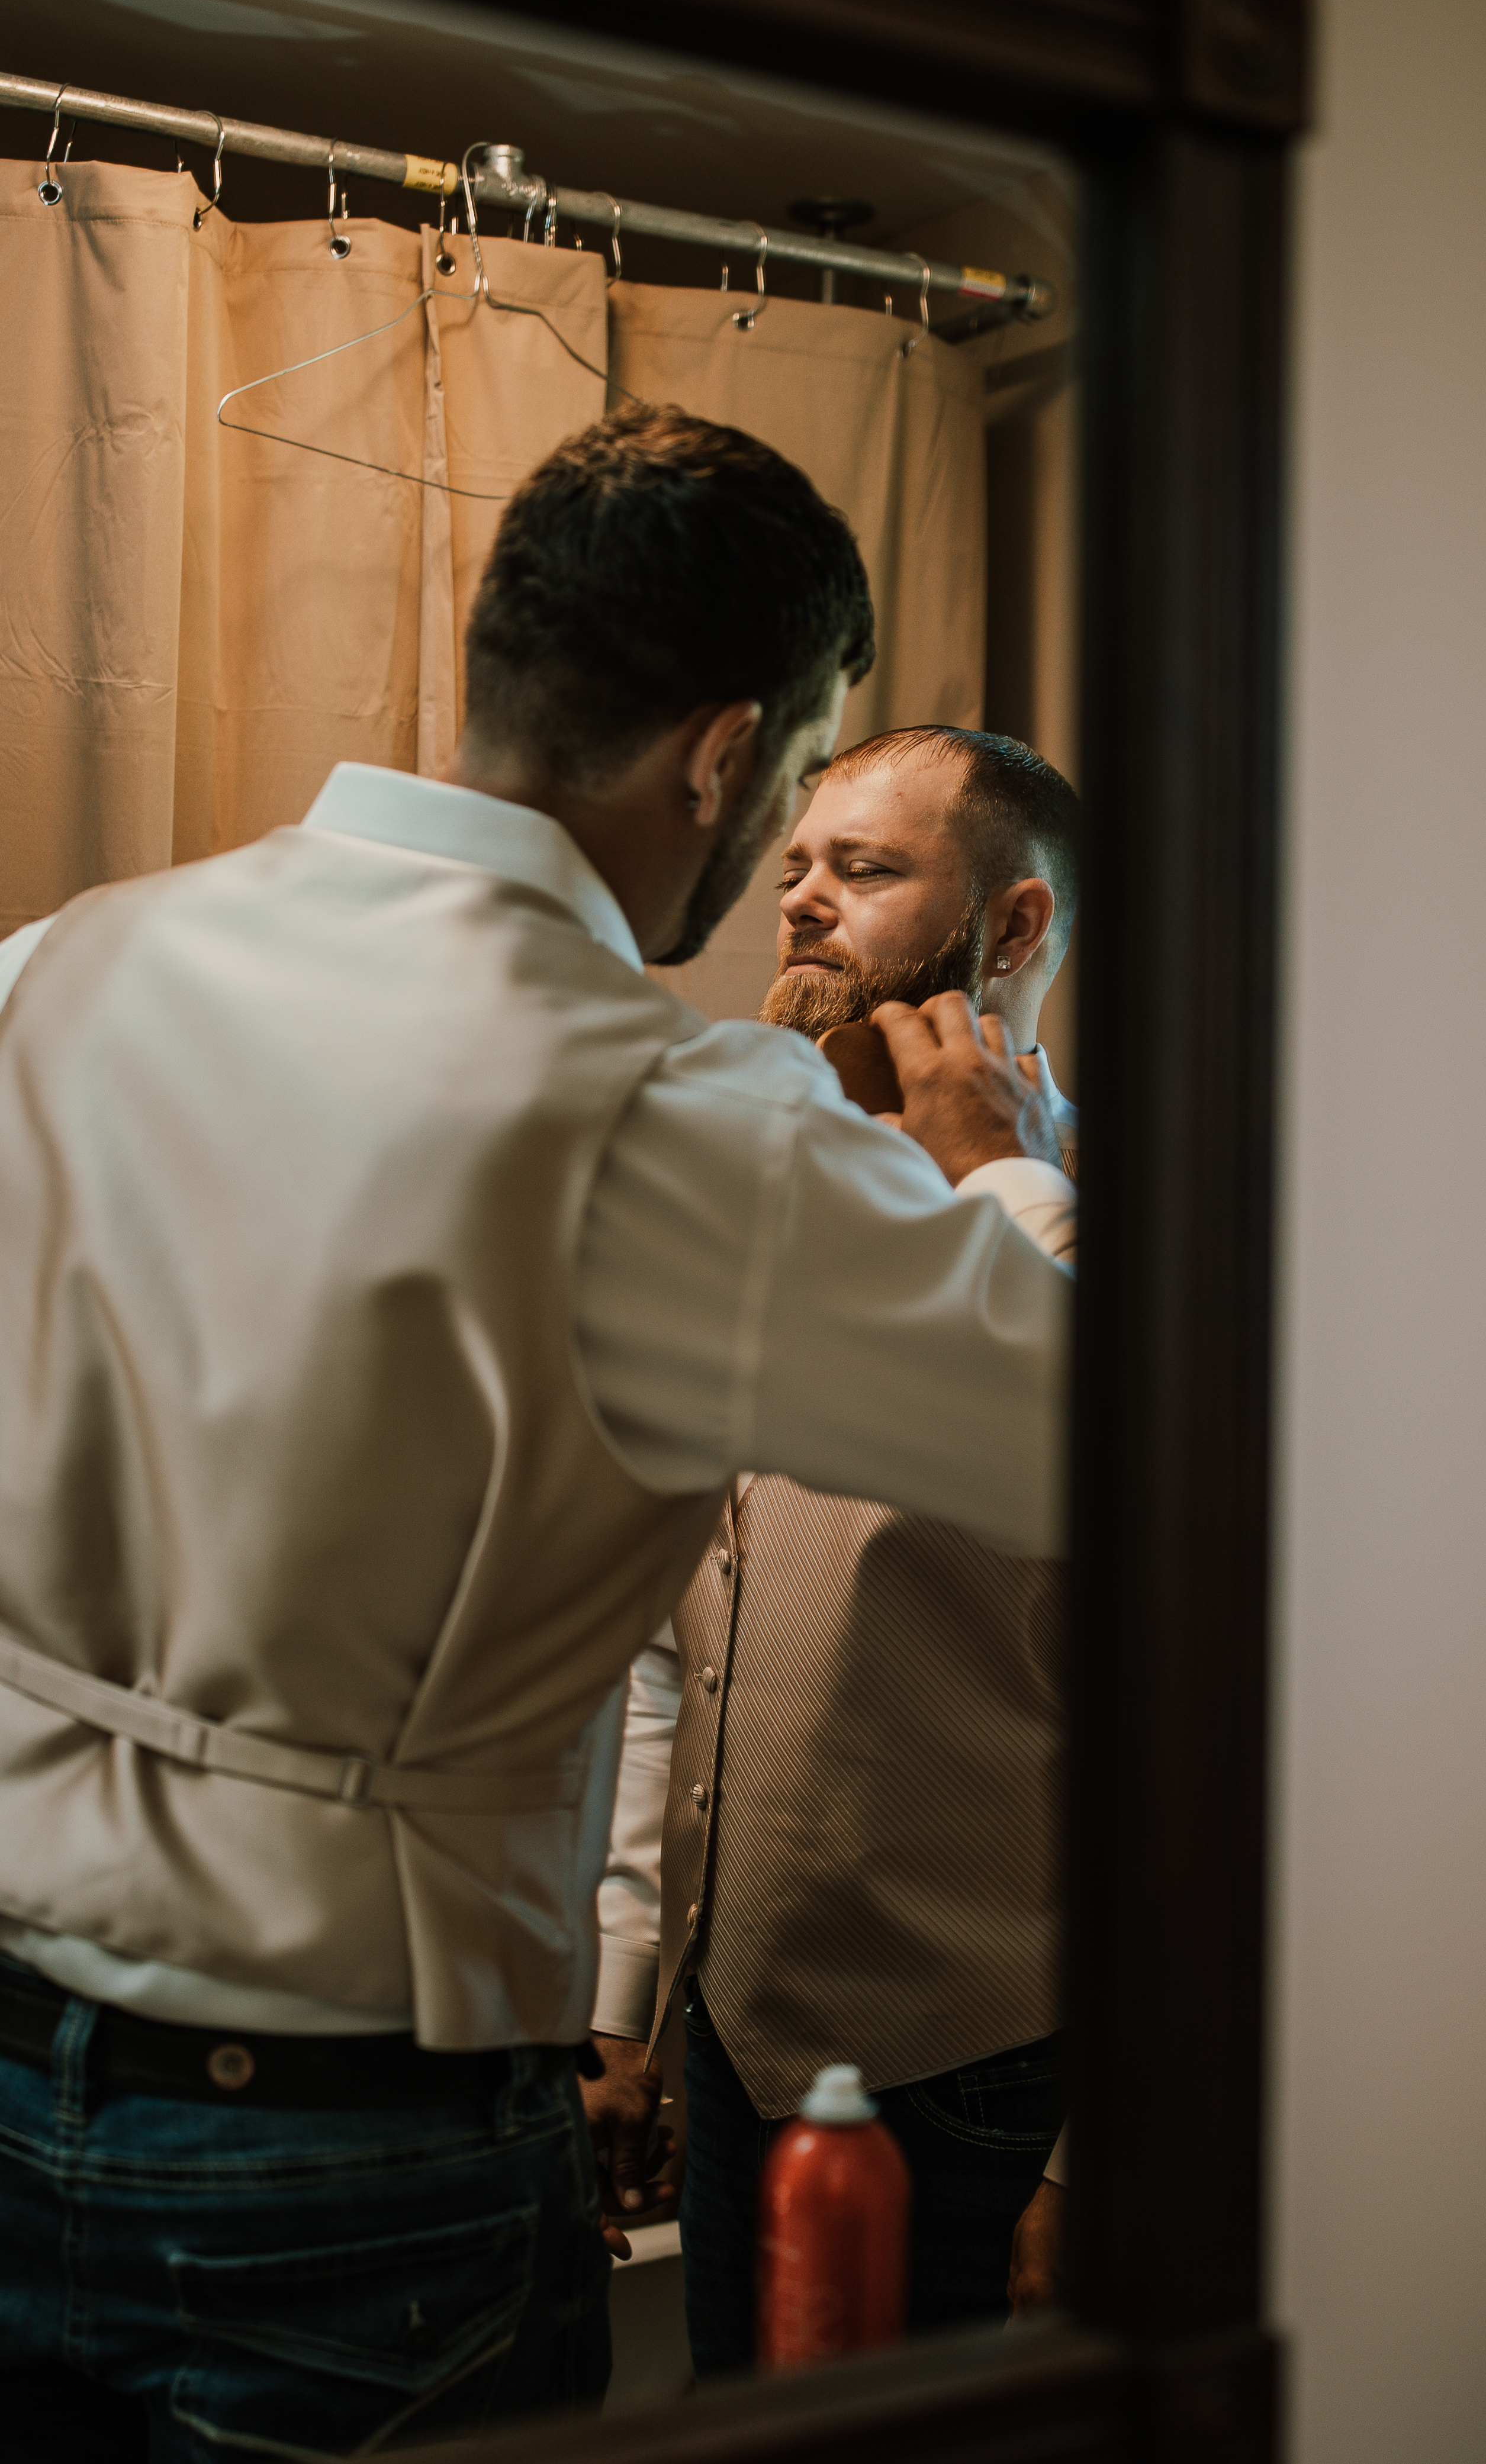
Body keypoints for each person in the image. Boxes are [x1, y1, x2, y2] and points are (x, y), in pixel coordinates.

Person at [0, 408, 1074, 2460]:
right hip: (338, 2161)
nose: (784, 869)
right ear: (718, 748)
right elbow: (1116, 1448)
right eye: (787, 795)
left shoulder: (63, 959)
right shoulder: (674, 1129)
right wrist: (998, 1178)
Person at [583, 726, 1080, 2375]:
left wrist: (1098, 2150)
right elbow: (679, 1630)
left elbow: (1207, 1722)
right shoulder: (756, 1206)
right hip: (735, 2041)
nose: (800, 901)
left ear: (1009, 930)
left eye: (864, 870)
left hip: (987, 2073)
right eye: (795, 862)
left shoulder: (1142, 1221)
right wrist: (629, 1987)